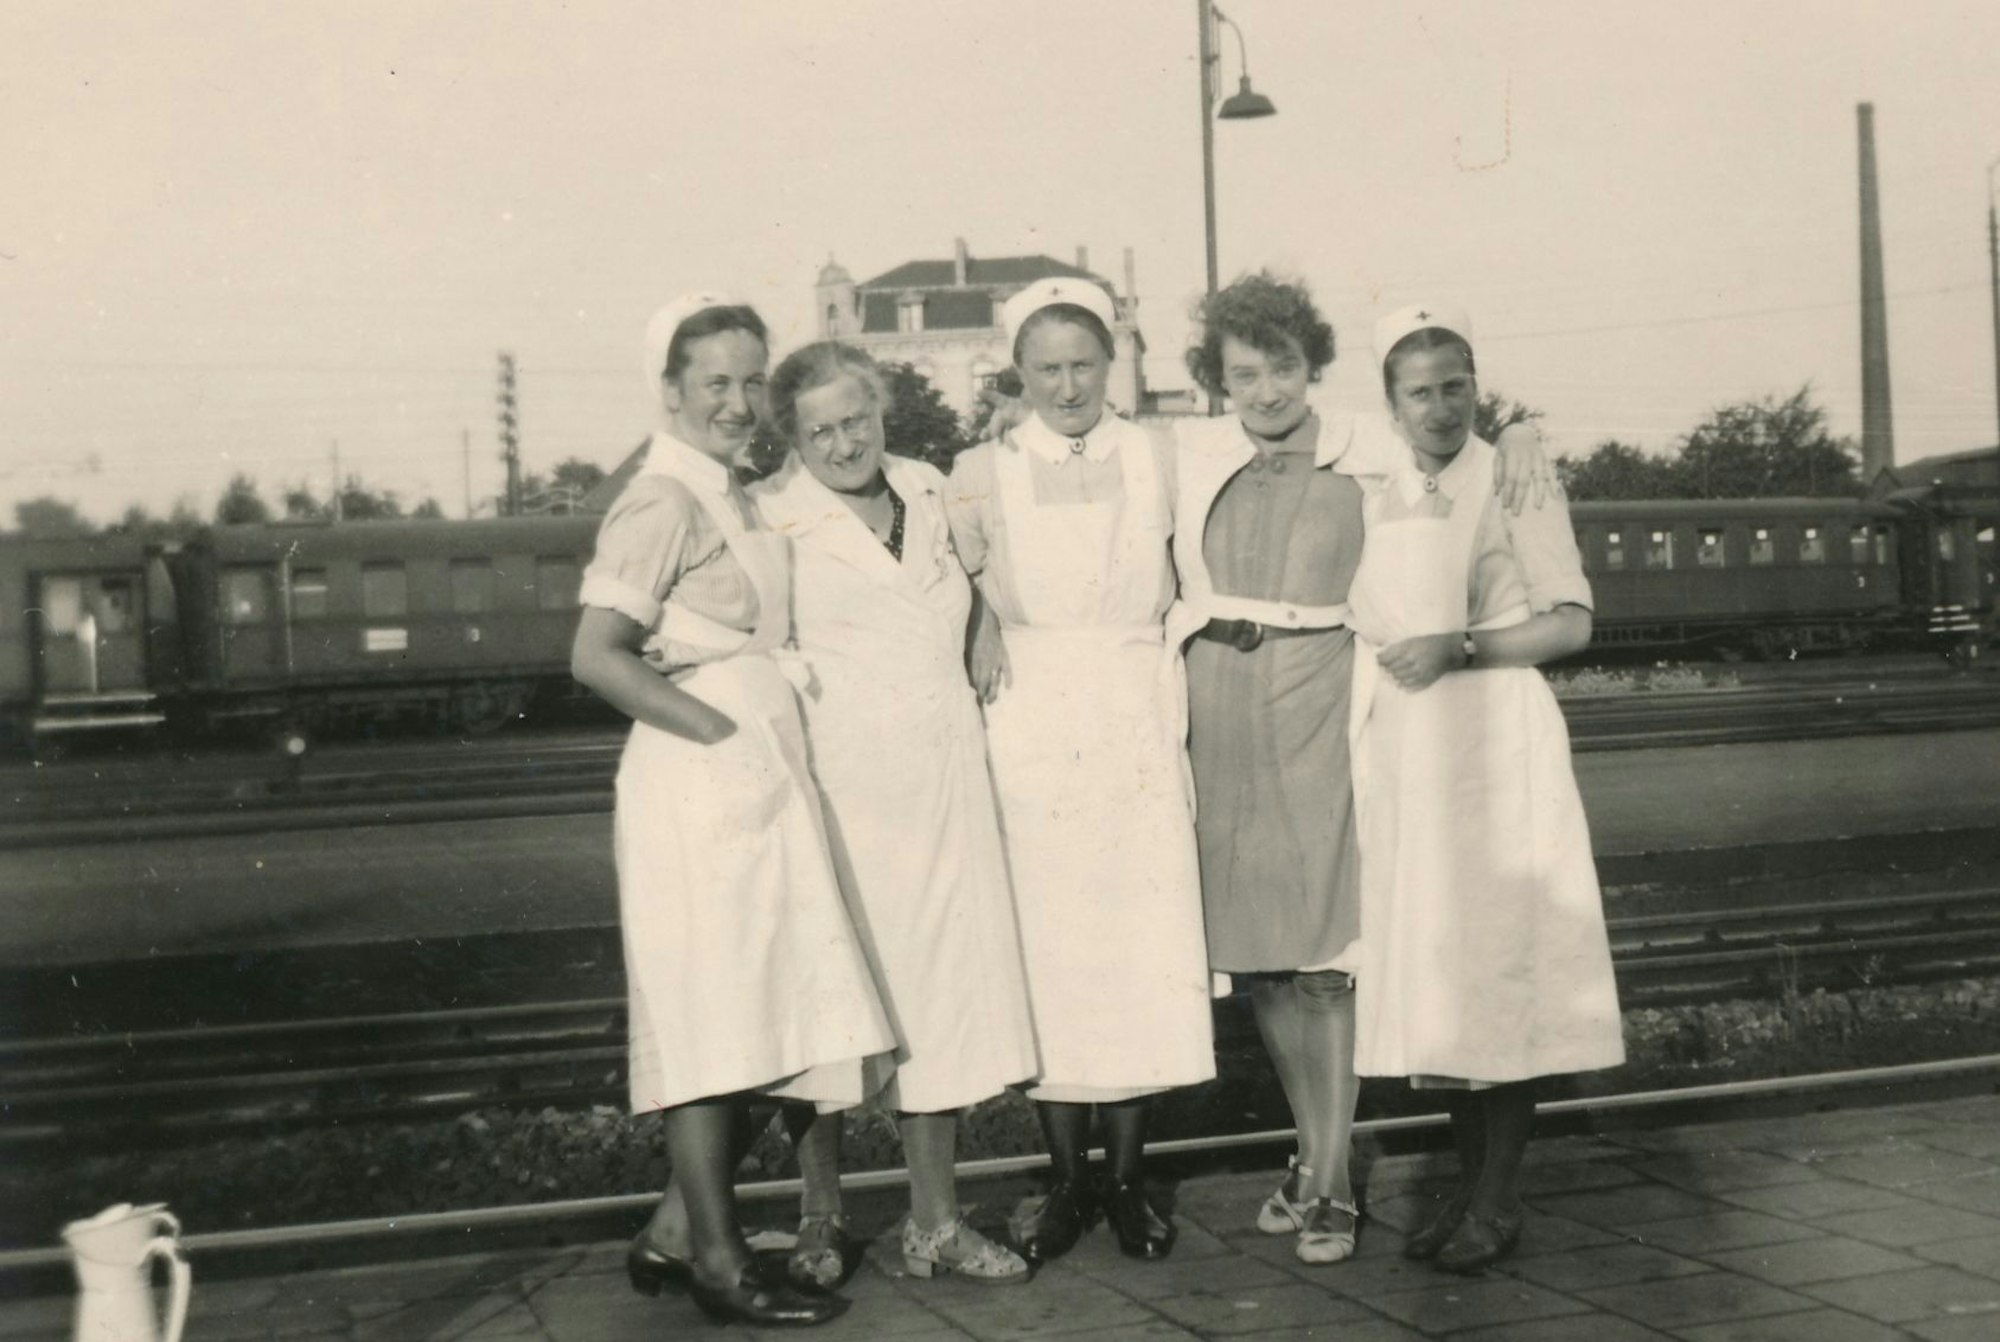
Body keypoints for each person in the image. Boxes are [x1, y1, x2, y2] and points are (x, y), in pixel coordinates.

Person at [570, 295, 894, 1326]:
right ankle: (715, 1260)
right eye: (716, 381)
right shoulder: (662, 499)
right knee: (719, 1022)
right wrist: (719, 736)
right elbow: (593, 655)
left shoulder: (734, 492)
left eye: (754, 380)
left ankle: (674, 1233)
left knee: (783, 1011)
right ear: (670, 392)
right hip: (702, 783)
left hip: (759, 780)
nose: (741, 401)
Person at [749, 341, 1039, 1287]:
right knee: (828, 1015)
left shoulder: (927, 485)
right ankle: (821, 1219)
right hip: (842, 797)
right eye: (821, 429)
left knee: (940, 1008)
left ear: (883, 413)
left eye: (857, 420)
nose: (843, 443)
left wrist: (988, 620)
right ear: (792, 437)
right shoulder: (770, 517)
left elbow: (972, 579)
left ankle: (935, 1224)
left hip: (945, 793)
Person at [1346, 304, 1625, 1274]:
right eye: (1417, 391)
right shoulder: (1378, 486)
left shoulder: (1514, 477)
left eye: (1455, 385)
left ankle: (1497, 1198)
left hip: (1495, 744)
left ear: (1477, 386)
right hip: (1415, 759)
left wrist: (1459, 646)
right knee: (1449, 984)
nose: (1437, 406)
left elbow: (1572, 624)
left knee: (1501, 977)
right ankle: (1469, 1189)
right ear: (1387, 403)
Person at [948, 277, 1215, 1263]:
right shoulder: (977, 468)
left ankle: (1129, 1179)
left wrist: (1512, 433)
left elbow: (1300, 433)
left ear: (1112, 367)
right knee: (1052, 950)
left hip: (1130, 712)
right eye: (1046, 367)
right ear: (1017, 372)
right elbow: (951, 574)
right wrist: (979, 617)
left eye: (1083, 365)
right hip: (1029, 715)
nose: (1066, 385)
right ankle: (1065, 1180)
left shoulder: (1159, 451)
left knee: (1134, 944)